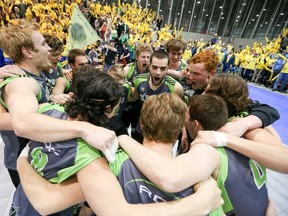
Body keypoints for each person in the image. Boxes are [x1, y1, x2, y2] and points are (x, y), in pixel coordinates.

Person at [15, 70, 223, 216]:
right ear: (179, 130)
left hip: (20, 202)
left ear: (141, 122)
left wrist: (23, 158)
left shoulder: (47, 113)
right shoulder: (97, 156)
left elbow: (22, 122)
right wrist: (198, 204)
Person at [118, 91, 280, 215]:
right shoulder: (247, 131)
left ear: (141, 123)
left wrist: (123, 139)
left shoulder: (205, 158)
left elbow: (171, 177)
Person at [0, 20, 117, 187]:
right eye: (42, 44)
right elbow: (23, 123)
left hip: (40, 156)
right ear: (27, 52)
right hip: (28, 162)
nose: (48, 48)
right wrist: (85, 128)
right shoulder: (21, 82)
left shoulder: (41, 75)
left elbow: (59, 84)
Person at [130, 50, 183, 143]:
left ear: (167, 68)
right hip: (141, 130)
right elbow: (133, 97)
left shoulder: (175, 88)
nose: (158, 72)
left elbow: (178, 114)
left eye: (162, 69)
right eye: (154, 67)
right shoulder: (139, 80)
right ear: (149, 66)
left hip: (161, 135)